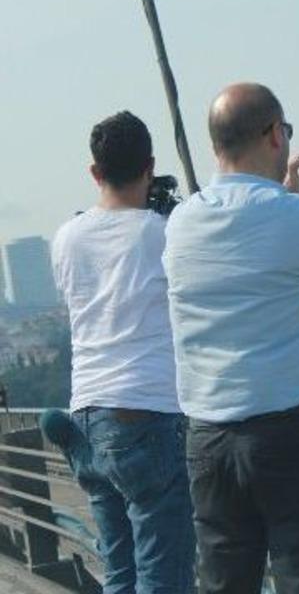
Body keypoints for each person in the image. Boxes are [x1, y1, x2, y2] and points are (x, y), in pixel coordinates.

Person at [163, 83, 299, 594]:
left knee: (225, 581)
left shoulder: (181, 222)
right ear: (274, 135)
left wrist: (282, 191)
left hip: (209, 436)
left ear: (216, 144)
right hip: (291, 431)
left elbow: (249, 225)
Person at [50, 111, 195, 593]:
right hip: (145, 412)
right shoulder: (162, 233)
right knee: (164, 574)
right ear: (150, 167)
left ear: (95, 172)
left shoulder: (65, 238)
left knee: (121, 573)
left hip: (87, 414)